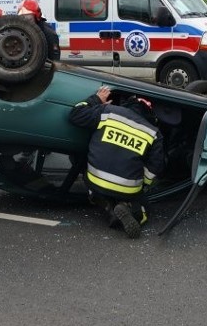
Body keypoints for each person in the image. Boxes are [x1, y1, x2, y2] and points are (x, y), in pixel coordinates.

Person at [69, 86, 166, 239]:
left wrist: (96, 100)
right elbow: (155, 168)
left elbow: (75, 115)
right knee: (144, 206)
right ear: (149, 114)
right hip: (127, 189)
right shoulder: (153, 133)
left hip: (94, 180)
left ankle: (102, 201)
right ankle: (130, 208)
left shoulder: (107, 112)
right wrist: (142, 186)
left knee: (82, 157)